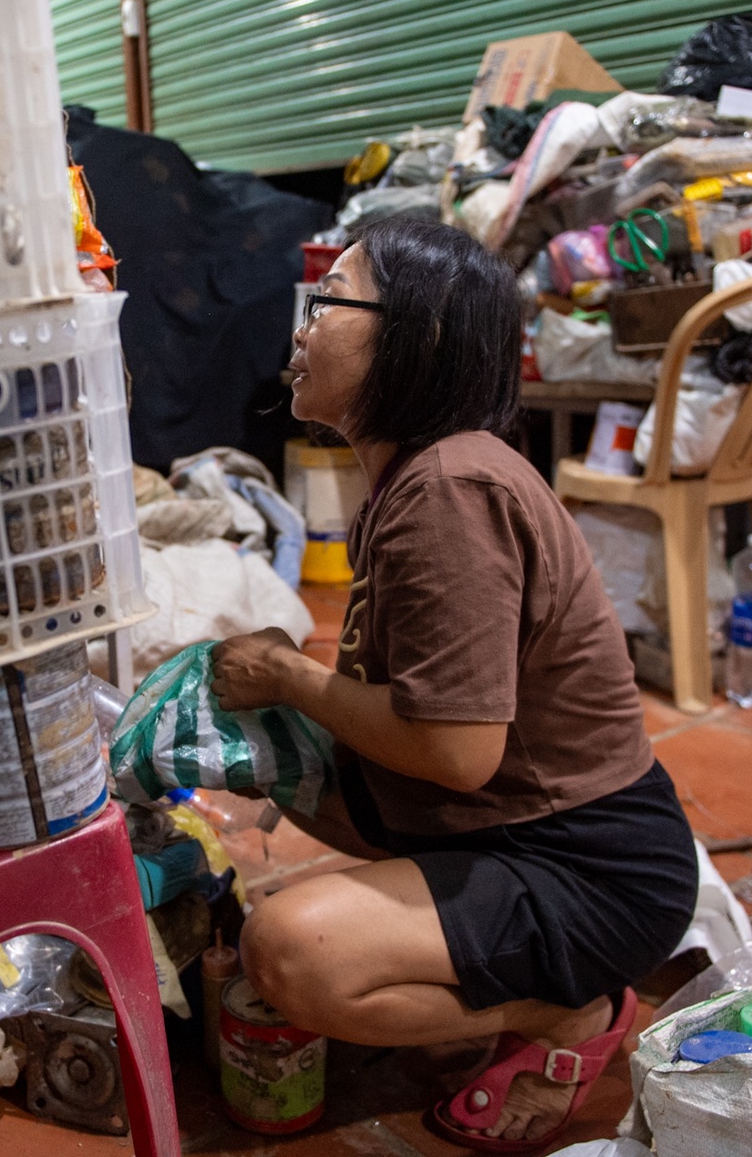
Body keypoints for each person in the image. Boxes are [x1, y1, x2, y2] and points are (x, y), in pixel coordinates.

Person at [211, 218, 697, 1151]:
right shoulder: (413, 479)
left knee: (291, 952)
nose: (302, 330)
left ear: (417, 338)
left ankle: (561, 1015)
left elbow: (454, 751)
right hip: (512, 824)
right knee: (276, 750)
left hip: (594, 868)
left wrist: (290, 673)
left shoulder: (450, 490)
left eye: (330, 301)